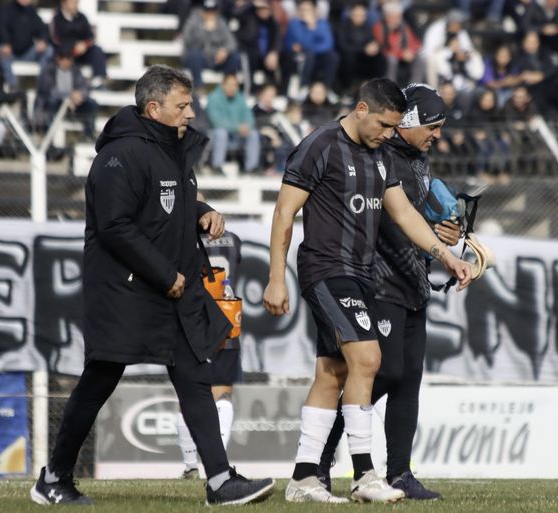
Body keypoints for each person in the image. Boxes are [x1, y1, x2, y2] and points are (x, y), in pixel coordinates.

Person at [29, 65, 274, 506]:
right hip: (127, 291)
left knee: (196, 377)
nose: (191, 112)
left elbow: (164, 203)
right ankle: (54, 477)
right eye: (182, 105)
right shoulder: (119, 155)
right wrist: (166, 275)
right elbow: (116, 226)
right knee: (99, 380)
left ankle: (220, 481)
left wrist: (201, 210)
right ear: (153, 107)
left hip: (170, 290)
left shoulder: (170, 149)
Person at [262, 78, 472, 503]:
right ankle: (365, 476)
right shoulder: (319, 145)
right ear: (361, 109)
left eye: (395, 127)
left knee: (331, 372)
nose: (388, 134)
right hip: (327, 269)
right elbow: (285, 211)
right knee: (370, 359)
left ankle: (304, 479)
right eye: (384, 125)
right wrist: (275, 277)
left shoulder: (381, 155)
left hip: (359, 275)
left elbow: (405, 214)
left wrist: (448, 256)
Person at [317, 84, 459, 500]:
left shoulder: (417, 159)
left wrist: (446, 233)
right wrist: (431, 236)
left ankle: (399, 472)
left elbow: (419, 218)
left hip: (413, 281)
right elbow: (381, 224)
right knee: (385, 372)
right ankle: (319, 457)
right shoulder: (379, 155)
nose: (437, 135)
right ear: (409, 121)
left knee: (407, 381)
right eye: (432, 126)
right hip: (379, 281)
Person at [177, 226, 244, 480]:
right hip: (226, 319)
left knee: (188, 393)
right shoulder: (233, 240)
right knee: (222, 392)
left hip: (193, 320)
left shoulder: (181, 238)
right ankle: (217, 464)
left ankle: (191, 465)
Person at [34, 46, 98, 138]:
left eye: (70, 59)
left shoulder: (75, 70)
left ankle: (89, 134)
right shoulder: (48, 70)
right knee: (52, 101)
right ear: (59, 59)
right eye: (67, 59)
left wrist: (80, 94)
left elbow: (84, 86)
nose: (69, 62)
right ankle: (46, 132)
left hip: (72, 104)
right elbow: (49, 90)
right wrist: (69, 95)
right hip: (53, 104)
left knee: (91, 104)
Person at [0, 0, 53, 93]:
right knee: (1, 50)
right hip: (9, 53)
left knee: (48, 50)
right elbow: (0, 28)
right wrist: (6, 42)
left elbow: (42, 29)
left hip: (26, 52)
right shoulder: (6, 10)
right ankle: (13, 87)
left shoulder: (31, 11)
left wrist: (43, 40)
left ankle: (42, 85)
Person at [206, 73, 260, 174]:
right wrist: (237, 127)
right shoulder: (213, 98)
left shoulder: (240, 98)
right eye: (229, 84)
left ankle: (251, 168)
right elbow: (217, 122)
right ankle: (217, 166)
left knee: (253, 134)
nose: (232, 88)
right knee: (221, 133)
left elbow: (249, 118)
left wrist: (247, 126)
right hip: (214, 136)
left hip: (235, 136)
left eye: (235, 85)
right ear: (223, 85)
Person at [182, 0, 241, 89]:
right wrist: (204, 30)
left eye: (213, 11)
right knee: (194, 54)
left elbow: (232, 42)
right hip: (201, 59)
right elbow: (188, 41)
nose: (210, 14)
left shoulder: (221, 21)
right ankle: (199, 87)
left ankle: (228, 85)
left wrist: (225, 51)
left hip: (217, 59)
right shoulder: (193, 20)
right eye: (208, 11)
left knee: (234, 56)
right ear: (202, 11)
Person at [49, 0, 108, 89]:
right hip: (65, 53)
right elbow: (55, 39)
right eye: (72, 2)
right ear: (64, 3)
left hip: (82, 52)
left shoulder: (82, 17)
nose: (75, 5)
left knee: (97, 50)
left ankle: (98, 81)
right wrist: (74, 45)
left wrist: (84, 45)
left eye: (76, 3)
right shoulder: (57, 18)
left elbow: (91, 37)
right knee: (56, 53)